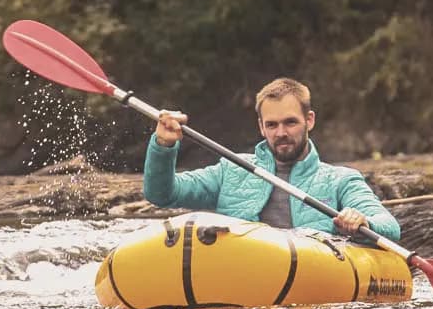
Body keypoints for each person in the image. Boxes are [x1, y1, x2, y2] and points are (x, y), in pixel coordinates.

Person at [141, 77, 401, 240]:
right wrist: (163, 145)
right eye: (272, 125)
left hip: (308, 291)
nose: (281, 133)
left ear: (309, 120)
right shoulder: (231, 169)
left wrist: (363, 221)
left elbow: (390, 227)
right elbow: (162, 194)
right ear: (261, 127)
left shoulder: (340, 180)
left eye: (290, 122)